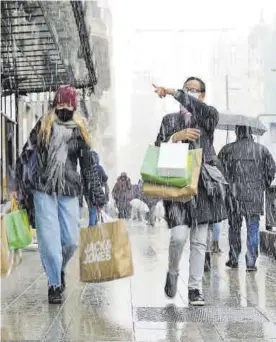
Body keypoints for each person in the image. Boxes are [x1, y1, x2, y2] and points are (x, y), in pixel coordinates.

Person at [14, 86, 106, 304]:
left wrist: (96, 197)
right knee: (48, 241)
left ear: (74, 106)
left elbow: (89, 167)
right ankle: (55, 283)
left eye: (68, 104)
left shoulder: (80, 131)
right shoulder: (43, 126)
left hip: (69, 190)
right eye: (61, 104)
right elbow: (26, 157)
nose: (64, 108)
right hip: (43, 189)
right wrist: (19, 186)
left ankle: (58, 269)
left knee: (71, 242)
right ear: (55, 104)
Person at [154, 77, 226, 306]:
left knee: (199, 242)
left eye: (195, 91)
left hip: (203, 186)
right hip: (176, 184)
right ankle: (172, 271)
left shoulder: (208, 116)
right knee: (178, 237)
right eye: (188, 90)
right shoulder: (169, 120)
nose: (191, 94)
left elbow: (198, 108)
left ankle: (195, 288)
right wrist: (176, 137)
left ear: (202, 95)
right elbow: (157, 151)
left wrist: (174, 92)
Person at [218, 125, 276, 271]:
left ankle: (233, 258)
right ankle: (251, 262)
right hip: (254, 195)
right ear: (250, 132)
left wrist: (227, 185)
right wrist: (263, 184)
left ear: (236, 132)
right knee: (253, 228)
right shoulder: (261, 150)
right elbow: (272, 169)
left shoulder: (227, 149)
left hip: (234, 195)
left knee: (234, 228)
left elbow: (218, 171)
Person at [87, 151, 108, 226]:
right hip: (98, 190)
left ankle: (92, 227)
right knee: (99, 209)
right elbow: (105, 178)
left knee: (92, 210)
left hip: (89, 192)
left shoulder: (86, 168)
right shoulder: (99, 168)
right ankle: (95, 227)